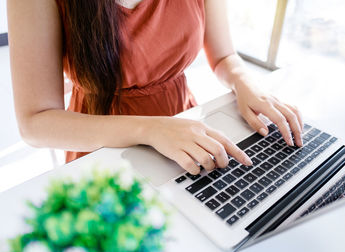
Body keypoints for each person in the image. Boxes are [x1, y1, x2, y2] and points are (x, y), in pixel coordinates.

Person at [7, 0, 303, 175]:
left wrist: (246, 83)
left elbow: (224, 55)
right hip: (102, 147)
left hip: (184, 132)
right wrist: (150, 129)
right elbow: (36, 122)